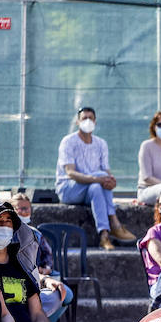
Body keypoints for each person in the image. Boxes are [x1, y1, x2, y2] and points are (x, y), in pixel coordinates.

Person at [56, 107, 136, 249]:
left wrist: (110, 181)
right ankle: (114, 222)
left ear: (95, 121)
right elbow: (70, 173)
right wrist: (99, 178)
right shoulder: (68, 141)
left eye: (90, 118)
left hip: (92, 189)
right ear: (77, 122)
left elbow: (106, 172)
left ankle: (104, 235)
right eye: (84, 118)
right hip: (68, 189)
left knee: (96, 188)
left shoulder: (101, 143)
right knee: (99, 180)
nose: (87, 121)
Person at [9, 193, 73, 322]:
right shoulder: (7, 234)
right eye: (18, 208)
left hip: (41, 276)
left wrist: (46, 268)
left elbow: (47, 254)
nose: (22, 212)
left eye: (26, 208)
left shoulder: (35, 233)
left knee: (64, 293)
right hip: (22, 280)